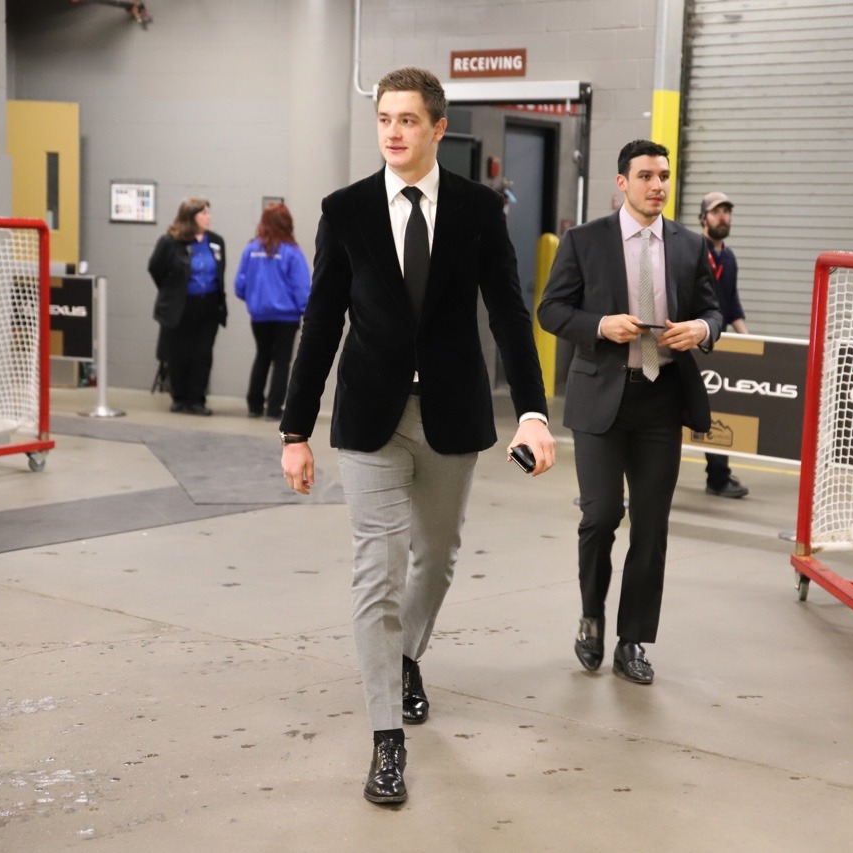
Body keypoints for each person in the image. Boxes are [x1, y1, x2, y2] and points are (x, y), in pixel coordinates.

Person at [279, 67, 556, 806]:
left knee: (435, 558)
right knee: (378, 568)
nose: (394, 132)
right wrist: (294, 429)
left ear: (438, 128)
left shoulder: (476, 210)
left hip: (451, 417)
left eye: (408, 119)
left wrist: (532, 409)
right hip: (369, 418)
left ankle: (406, 656)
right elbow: (321, 322)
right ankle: (386, 740)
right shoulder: (345, 211)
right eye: (384, 120)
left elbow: (506, 311)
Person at [538, 139, 721, 687]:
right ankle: (591, 615)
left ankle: (632, 640)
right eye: (645, 176)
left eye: (663, 176)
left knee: (652, 526)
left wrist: (703, 329)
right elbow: (551, 309)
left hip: (661, 400)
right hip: (601, 399)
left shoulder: (689, 246)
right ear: (622, 182)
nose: (657, 185)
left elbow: (711, 306)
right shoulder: (583, 241)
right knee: (599, 516)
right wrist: (599, 326)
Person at [147, 197, 227, 415]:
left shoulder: (216, 241)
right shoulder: (171, 241)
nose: (208, 218)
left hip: (209, 306)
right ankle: (179, 398)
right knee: (179, 353)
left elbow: (220, 273)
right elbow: (156, 268)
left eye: (208, 213)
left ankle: (197, 400)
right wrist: (173, 289)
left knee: (203, 354)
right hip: (180, 307)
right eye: (203, 214)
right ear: (190, 217)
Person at [233, 202, 311, 420]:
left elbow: (240, 284)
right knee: (281, 361)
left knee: (262, 356)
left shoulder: (251, 249)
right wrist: (306, 311)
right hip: (286, 318)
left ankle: (254, 406)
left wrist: (254, 301)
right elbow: (302, 287)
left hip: (259, 316)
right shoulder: (291, 252)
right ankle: (274, 409)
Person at [699, 191, 750, 499]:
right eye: (716, 212)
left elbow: (732, 305)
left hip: (719, 346)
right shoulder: (693, 251)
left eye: (727, 212)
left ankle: (717, 478)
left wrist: (750, 341)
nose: (723, 217)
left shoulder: (728, 258)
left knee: (719, 412)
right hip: (692, 343)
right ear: (703, 217)